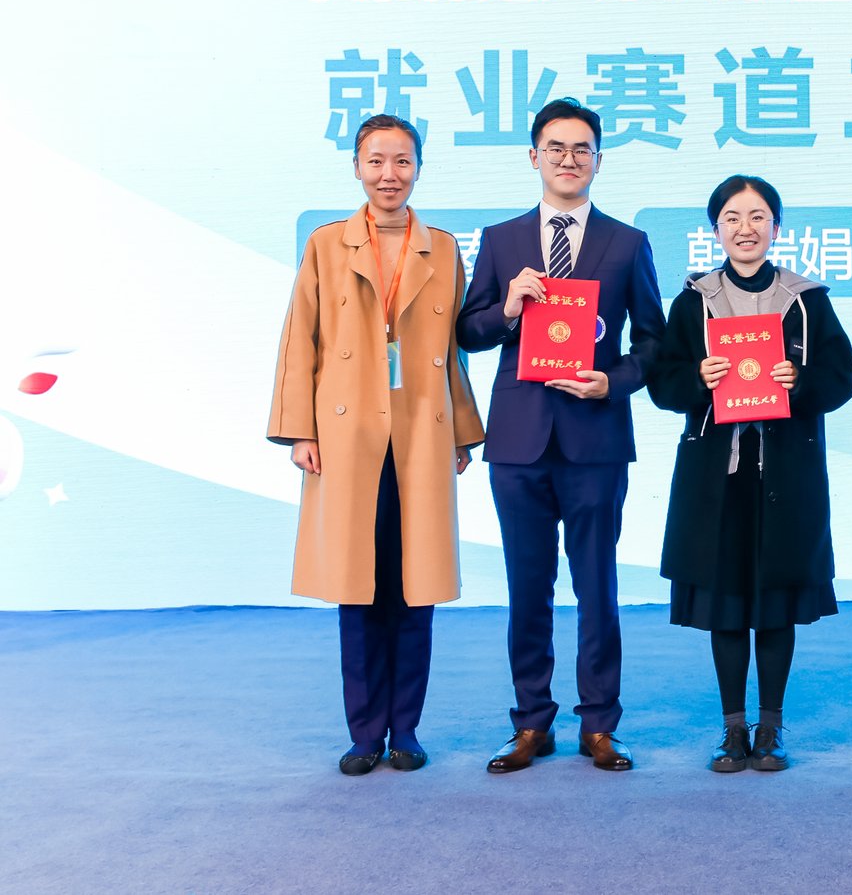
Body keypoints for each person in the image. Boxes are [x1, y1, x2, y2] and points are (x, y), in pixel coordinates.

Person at [267, 113, 484, 775]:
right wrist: (300, 429)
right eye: (377, 161)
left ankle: (406, 730)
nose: (390, 174)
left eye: (402, 161)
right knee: (356, 587)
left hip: (422, 429)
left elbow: (453, 353)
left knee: (416, 586)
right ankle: (365, 733)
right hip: (345, 433)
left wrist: (464, 430)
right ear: (357, 167)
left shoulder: (442, 248)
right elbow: (298, 340)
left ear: (418, 167)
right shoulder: (326, 244)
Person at [457, 97, 665, 773]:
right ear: (534, 157)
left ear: (598, 160)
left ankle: (599, 723)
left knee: (597, 584)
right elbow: (467, 331)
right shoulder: (500, 240)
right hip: (518, 439)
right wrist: (508, 307)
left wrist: (614, 381)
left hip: (595, 438)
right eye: (556, 147)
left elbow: (654, 341)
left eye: (582, 149)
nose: (569, 159)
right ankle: (530, 722)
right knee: (527, 586)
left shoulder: (627, 243)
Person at [647, 176, 852, 773]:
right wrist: (699, 378)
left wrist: (800, 381)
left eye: (759, 216)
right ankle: (733, 728)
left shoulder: (806, 300)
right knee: (727, 604)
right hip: (718, 479)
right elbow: (663, 383)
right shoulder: (694, 300)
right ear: (715, 229)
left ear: (776, 227)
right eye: (733, 218)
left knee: (777, 604)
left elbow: (842, 378)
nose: (746, 229)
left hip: (786, 476)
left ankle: (771, 727)